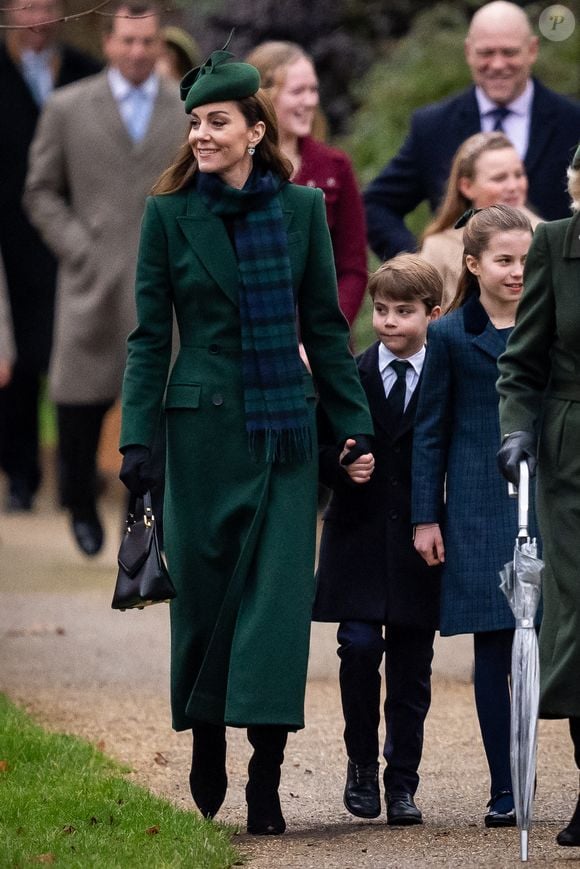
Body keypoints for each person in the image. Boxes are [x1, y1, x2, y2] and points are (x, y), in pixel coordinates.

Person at [117, 49, 374, 835]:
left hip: (284, 433)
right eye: (195, 122)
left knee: (275, 606)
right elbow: (147, 337)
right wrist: (137, 442)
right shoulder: (168, 214)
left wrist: (352, 421)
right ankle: (205, 737)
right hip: (197, 434)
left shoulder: (299, 211)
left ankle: (266, 772)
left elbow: (326, 329)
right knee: (200, 596)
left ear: (254, 131)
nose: (201, 134)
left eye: (217, 122)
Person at [23, 0, 184, 556]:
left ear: (160, 44)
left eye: (147, 42)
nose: (137, 52)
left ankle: (144, 523)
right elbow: (39, 191)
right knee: (77, 402)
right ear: (108, 44)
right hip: (90, 278)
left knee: (159, 406)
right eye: (126, 41)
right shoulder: (68, 107)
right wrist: (77, 248)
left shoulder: (185, 107)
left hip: (163, 284)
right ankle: (78, 498)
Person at [412, 204, 535, 827]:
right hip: (476, 505)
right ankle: (504, 785)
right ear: (473, 264)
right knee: (494, 645)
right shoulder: (451, 335)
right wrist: (424, 517)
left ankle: (544, 769)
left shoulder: (553, 324)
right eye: (504, 260)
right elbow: (429, 432)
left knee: (546, 642)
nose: (517, 271)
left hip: (543, 500)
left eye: (524, 259)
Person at [313, 254, 442, 826]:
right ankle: (361, 765)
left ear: (432, 315)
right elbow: (319, 449)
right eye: (382, 310)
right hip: (359, 541)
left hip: (419, 544)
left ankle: (403, 780)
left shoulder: (446, 376)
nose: (390, 322)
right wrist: (341, 466)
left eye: (405, 312)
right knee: (359, 648)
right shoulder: (351, 376)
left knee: (413, 665)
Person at [497, 145, 580, 848]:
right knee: (579, 612)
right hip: (572, 453)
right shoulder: (554, 244)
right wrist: (515, 431)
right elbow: (521, 362)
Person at [364, 0, 580, 261]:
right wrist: (423, 265)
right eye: (486, 53)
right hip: (463, 296)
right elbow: (375, 206)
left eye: (509, 52)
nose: (498, 64)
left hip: (555, 295)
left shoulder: (573, 122)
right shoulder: (434, 126)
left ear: (532, 50)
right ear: (469, 52)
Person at [0, 0, 100, 512]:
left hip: (76, 240)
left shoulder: (86, 73)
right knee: (15, 364)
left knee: (74, 359)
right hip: (10, 244)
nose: (37, 16)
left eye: (45, 5)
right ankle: (20, 476)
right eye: (26, 5)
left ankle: (74, 475)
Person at [246, 41, 368, 327]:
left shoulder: (335, 167)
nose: (310, 101)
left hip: (322, 347)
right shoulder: (238, 168)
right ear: (265, 97)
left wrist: (325, 334)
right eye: (298, 91)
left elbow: (353, 269)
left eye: (313, 90)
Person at [421, 131, 540, 308]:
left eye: (519, 175)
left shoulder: (548, 236)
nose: (513, 186)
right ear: (467, 186)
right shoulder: (439, 248)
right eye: (499, 178)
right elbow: (423, 317)